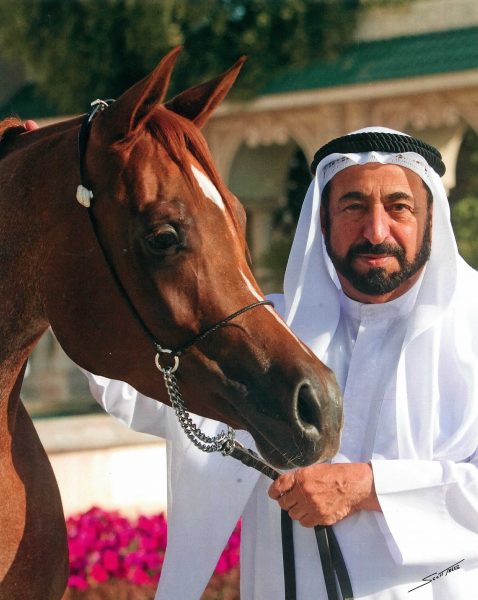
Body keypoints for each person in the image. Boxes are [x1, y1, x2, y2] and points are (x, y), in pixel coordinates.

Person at [76, 126, 478, 598]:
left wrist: (365, 487)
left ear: (430, 220)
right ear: (321, 222)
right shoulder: (265, 335)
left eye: (399, 207)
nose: (375, 230)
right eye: (352, 207)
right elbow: (140, 392)